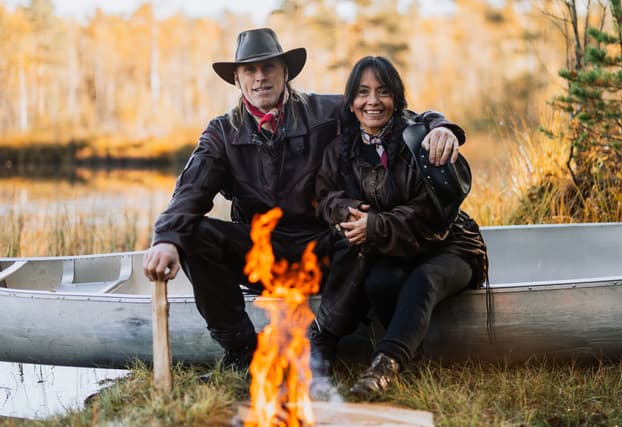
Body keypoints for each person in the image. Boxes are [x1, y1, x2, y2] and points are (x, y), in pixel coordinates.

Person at [142, 28, 464, 372]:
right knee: (192, 234)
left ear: (285, 72)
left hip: (325, 249)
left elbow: (389, 113)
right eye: (250, 70)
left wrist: (440, 127)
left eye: (268, 67)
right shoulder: (221, 133)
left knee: (359, 228)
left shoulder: (326, 112)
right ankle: (241, 350)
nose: (260, 77)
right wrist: (167, 239)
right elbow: (190, 191)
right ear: (237, 79)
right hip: (262, 255)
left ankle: (324, 339)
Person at [312, 56, 488, 398]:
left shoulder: (419, 138)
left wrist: (376, 225)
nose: (373, 101)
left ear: (397, 98)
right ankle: (409, 350)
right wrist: (348, 210)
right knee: (380, 281)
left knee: (425, 278)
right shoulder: (341, 147)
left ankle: (384, 367)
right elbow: (325, 196)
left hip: (449, 245)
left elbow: (431, 216)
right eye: (363, 92)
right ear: (350, 102)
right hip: (397, 248)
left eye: (383, 91)